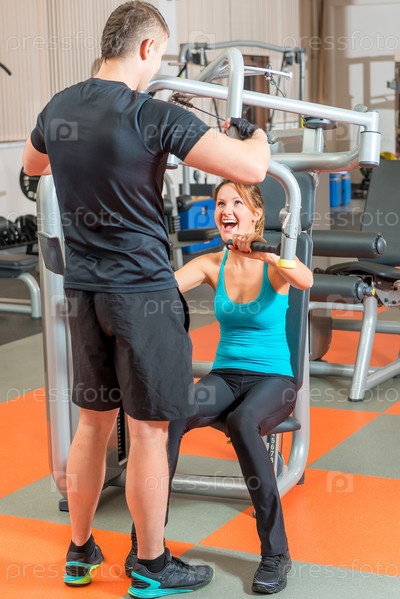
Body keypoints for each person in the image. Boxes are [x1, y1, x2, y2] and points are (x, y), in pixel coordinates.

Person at [22, 2, 270, 597]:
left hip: (84, 292)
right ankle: (151, 565)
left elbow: (33, 166)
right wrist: (254, 133)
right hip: (143, 297)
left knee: (92, 426)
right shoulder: (151, 113)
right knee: (150, 433)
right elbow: (252, 169)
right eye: (161, 54)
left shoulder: (58, 107)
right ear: (146, 49)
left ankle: (79, 552)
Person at [125, 180, 313, 595]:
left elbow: (305, 280)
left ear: (255, 214)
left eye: (237, 203)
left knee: (244, 422)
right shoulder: (213, 264)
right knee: (170, 416)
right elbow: (163, 286)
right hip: (225, 376)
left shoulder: (275, 264)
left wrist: (266, 251)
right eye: (220, 203)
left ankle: (276, 553)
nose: (227, 210)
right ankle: (146, 546)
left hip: (275, 380)